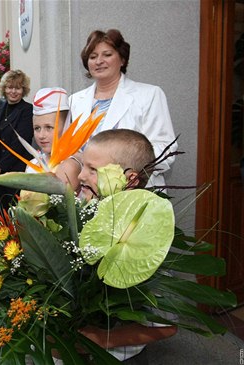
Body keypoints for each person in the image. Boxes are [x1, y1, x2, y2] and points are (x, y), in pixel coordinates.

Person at [74, 128, 177, 362]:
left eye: (93, 170)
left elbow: (167, 327)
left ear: (130, 179)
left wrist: (103, 338)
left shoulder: (148, 238)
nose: (80, 176)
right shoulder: (82, 214)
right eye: (83, 166)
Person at [68, 29, 177, 188]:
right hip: (87, 193)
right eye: (93, 57)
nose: (99, 61)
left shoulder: (149, 95)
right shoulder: (74, 101)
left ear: (122, 59)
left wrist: (125, 171)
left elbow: (165, 149)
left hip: (133, 191)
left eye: (107, 55)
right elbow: (70, 150)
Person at [0, 69, 33, 209]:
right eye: (10, 87)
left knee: (14, 212)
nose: (13, 92)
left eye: (18, 88)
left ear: (24, 90)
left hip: (16, 171)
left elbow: (21, 143)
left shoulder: (27, 110)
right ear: (4, 89)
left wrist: (0, 167)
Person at [26, 87, 81, 189]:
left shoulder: (71, 164)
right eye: (37, 128)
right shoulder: (33, 164)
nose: (41, 135)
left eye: (49, 127)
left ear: (66, 126)